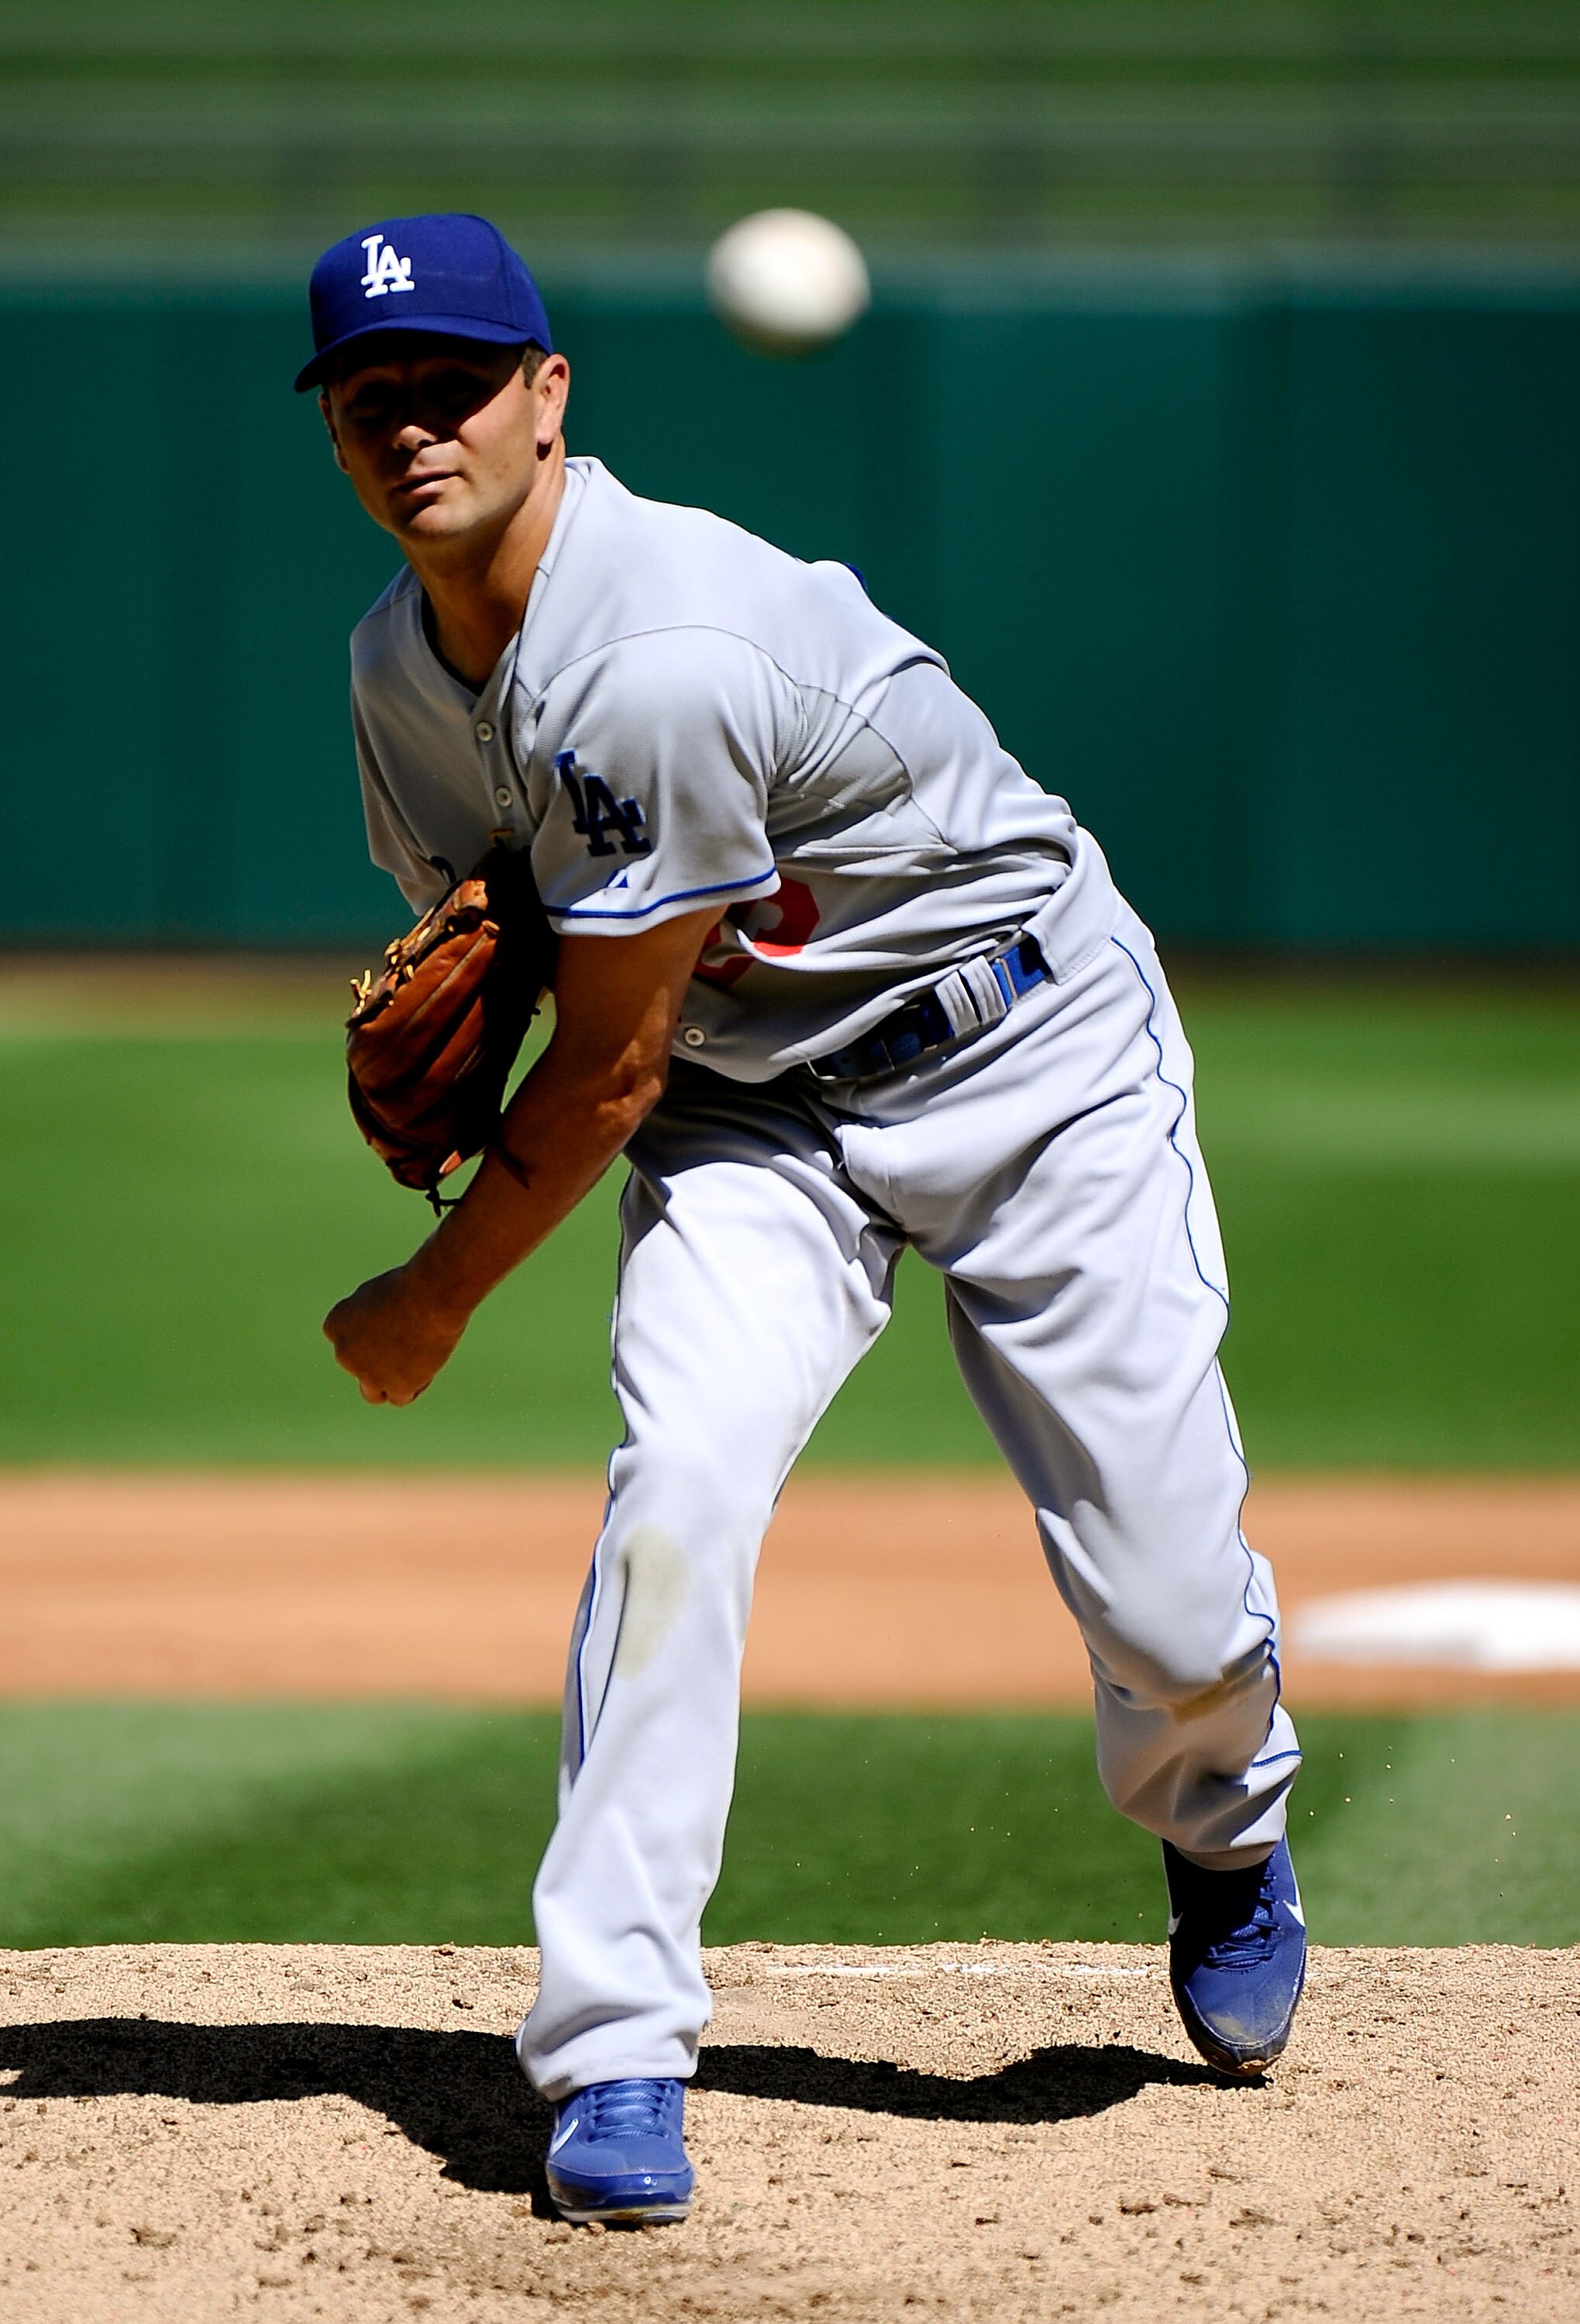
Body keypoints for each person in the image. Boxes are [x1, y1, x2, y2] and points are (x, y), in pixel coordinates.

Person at [305, 213, 1306, 2227]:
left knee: (1170, 1592)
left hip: (1034, 1065)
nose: (418, 427)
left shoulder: (660, 642)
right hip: (754, 1122)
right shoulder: (393, 678)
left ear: (549, 394)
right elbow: (517, 951)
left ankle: (1223, 1831)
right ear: (333, 430)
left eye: (458, 385)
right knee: (675, 1493)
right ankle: (611, 2051)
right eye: (371, 400)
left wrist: (431, 1294)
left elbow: (589, 1072)